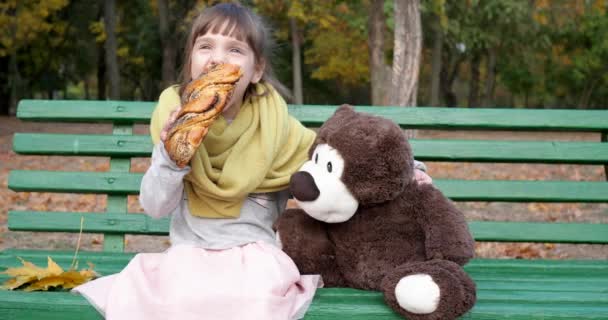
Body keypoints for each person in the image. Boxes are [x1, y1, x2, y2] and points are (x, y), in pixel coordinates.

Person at [73, 3, 432, 320]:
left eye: (234, 49)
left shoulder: (277, 129)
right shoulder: (174, 121)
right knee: (179, 296)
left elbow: (340, 159)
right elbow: (154, 207)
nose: (217, 58)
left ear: (256, 70)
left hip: (256, 257)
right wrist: (170, 156)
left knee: (255, 295)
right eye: (205, 46)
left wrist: (409, 171)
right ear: (190, 62)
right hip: (189, 255)